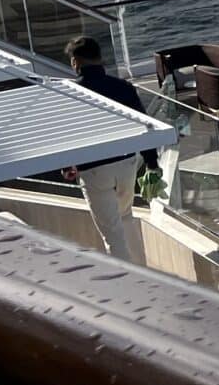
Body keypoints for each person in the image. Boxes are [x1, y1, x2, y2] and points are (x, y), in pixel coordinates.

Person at [63, 35, 154, 265]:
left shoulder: (71, 93)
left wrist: (68, 166)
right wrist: (152, 164)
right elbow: (145, 125)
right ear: (100, 58)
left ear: (76, 62)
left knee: (113, 233)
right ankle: (147, 274)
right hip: (126, 164)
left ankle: (132, 284)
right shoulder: (123, 87)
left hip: (95, 170)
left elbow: (67, 135)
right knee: (126, 218)